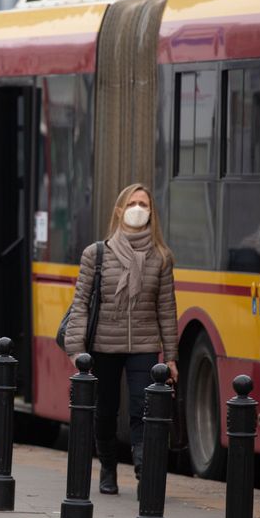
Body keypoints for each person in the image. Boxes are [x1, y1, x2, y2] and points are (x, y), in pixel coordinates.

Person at [62, 183, 178, 495]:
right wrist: (76, 351)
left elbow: (166, 308)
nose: (138, 209)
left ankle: (143, 468)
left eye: (144, 203)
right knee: (105, 410)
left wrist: (170, 356)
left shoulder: (161, 258)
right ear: (119, 211)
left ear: (152, 212)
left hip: (143, 344)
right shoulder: (96, 254)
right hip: (104, 345)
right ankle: (108, 467)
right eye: (132, 203)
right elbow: (81, 303)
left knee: (143, 406)